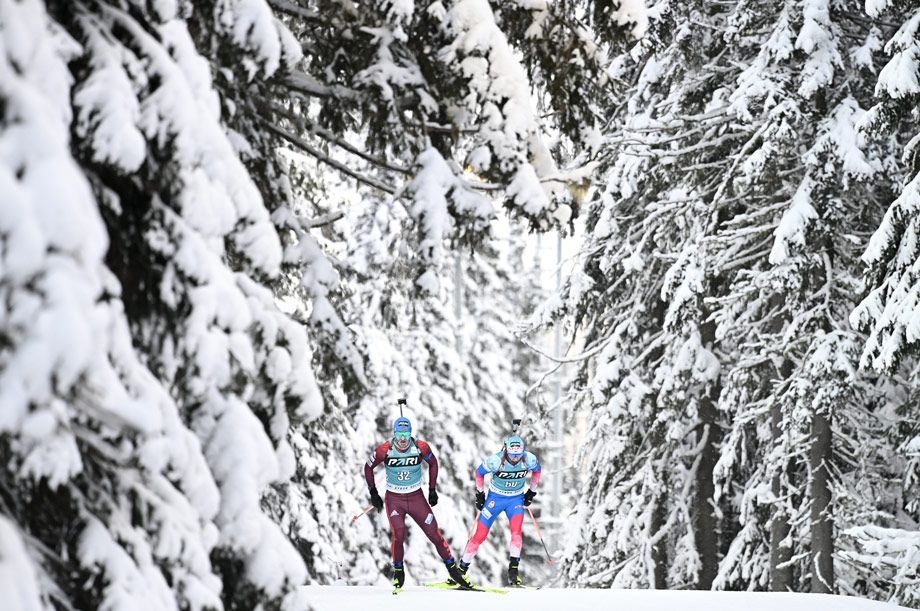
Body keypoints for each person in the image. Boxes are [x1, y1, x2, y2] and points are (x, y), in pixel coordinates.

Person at [364, 415, 472, 590]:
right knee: (398, 535)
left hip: (416, 498)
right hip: (395, 500)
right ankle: (399, 571)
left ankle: (453, 571)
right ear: (394, 434)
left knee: (434, 534)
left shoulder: (420, 447)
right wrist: (373, 492)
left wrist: (432, 489)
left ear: (411, 434)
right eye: (399, 435)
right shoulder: (385, 450)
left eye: (406, 436)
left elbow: (434, 463)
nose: (403, 440)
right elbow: (368, 467)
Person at [457, 434, 541, 586]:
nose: (515, 458)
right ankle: (460, 571)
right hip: (495, 500)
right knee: (480, 535)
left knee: (516, 533)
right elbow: (479, 473)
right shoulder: (496, 460)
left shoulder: (529, 459)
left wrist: (531, 492)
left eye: (518, 455)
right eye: (512, 455)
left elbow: (537, 471)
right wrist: (480, 495)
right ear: (506, 451)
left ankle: (513, 572)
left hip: (515, 500)